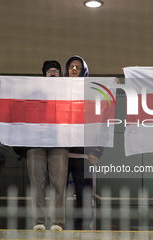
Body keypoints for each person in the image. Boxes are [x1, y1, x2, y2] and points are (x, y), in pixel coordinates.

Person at [16, 60, 68, 231]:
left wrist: (112, 85)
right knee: (37, 183)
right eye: (50, 71)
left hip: (59, 142)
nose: (53, 73)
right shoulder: (34, 92)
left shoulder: (69, 91)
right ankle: (38, 221)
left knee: (59, 183)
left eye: (56, 71)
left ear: (61, 74)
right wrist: (1, 83)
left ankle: (57, 222)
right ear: (44, 74)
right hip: (35, 142)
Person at [65, 55, 102, 229]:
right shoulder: (59, 90)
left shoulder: (93, 92)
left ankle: (82, 228)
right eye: (71, 66)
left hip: (84, 155)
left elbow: (103, 123)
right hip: (61, 154)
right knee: (58, 195)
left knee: (84, 196)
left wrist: (97, 151)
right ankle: (59, 226)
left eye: (77, 67)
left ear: (84, 70)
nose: (73, 69)